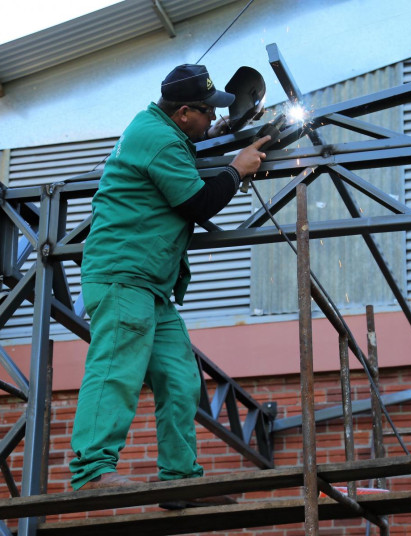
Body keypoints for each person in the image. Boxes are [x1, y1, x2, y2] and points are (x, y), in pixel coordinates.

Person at [69, 64, 270, 502]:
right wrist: (237, 169)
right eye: (204, 113)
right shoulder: (159, 141)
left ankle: (180, 480)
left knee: (181, 379)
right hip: (124, 277)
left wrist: (221, 131)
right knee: (116, 371)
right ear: (183, 113)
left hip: (151, 287)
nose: (208, 119)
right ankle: (92, 469)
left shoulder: (166, 131)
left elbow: (186, 151)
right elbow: (198, 203)